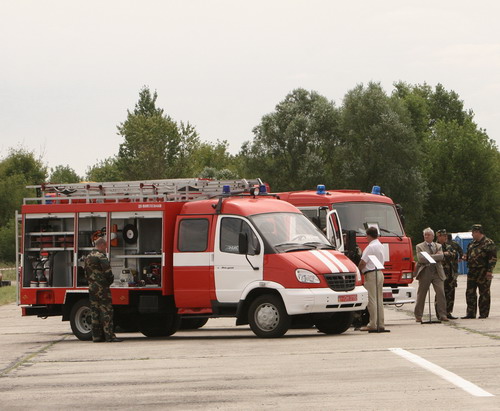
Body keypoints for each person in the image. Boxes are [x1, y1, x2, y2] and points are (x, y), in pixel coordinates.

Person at [84, 237, 122, 342]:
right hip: (102, 288)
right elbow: (108, 273)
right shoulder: (101, 257)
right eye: (105, 246)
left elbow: (86, 273)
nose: (105, 248)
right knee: (106, 311)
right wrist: (108, 283)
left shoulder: (88, 257)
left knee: (94, 312)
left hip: (92, 288)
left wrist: (92, 282)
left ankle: (96, 337)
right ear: (101, 245)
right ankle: (109, 336)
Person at [462, 224, 497, 319]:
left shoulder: (488, 243)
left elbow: (492, 258)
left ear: (478, 232)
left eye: (473, 232)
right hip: (472, 271)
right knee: (470, 292)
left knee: (484, 292)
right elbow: (469, 255)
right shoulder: (472, 243)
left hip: (483, 271)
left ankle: (483, 313)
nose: (472, 234)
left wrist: (489, 271)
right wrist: (466, 257)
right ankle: (471, 313)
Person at [414, 227, 448, 322]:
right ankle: (418, 315)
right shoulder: (419, 246)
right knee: (421, 294)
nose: (426, 236)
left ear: (433, 236)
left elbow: (441, 256)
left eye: (428, 235)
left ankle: (442, 314)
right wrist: (434, 256)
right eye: (425, 235)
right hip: (425, 271)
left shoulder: (438, 246)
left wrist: (428, 256)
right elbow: (421, 259)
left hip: (437, 272)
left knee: (441, 293)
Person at [358, 227, 385, 331]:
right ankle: (380, 323)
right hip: (379, 272)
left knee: (371, 300)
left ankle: (372, 324)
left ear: (369, 235)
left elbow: (363, 262)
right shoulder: (381, 245)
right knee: (379, 299)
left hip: (371, 273)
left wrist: (358, 269)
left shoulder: (370, 247)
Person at [436, 229, 459, 319]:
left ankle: (448, 312)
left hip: (450, 273)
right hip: (440, 274)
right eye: (443, 236)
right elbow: (435, 256)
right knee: (440, 294)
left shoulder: (449, 246)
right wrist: (445, 254)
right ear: (439, 236)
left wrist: (444, 254)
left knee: (450, 293)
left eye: (446, 236)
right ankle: (440, 313)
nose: (446, 237)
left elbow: (455, 255)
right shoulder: (435, 246)